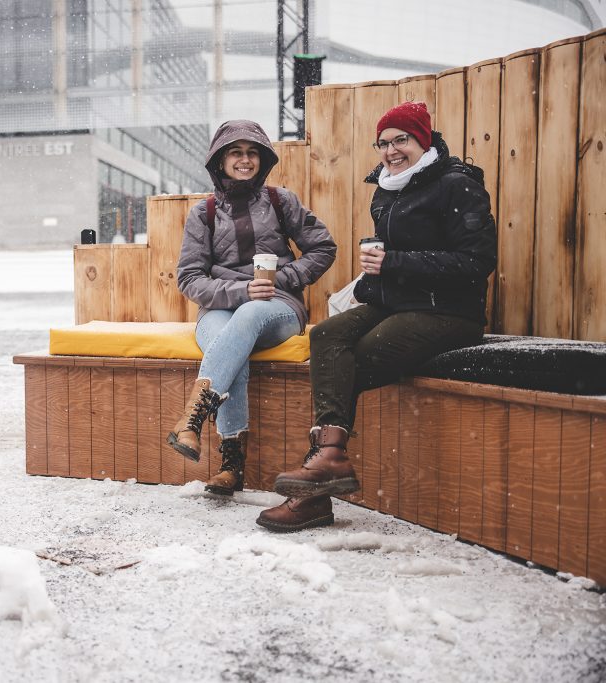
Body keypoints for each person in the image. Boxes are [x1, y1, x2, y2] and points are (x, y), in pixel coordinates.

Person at [256, 101, 497, 532]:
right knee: (327, 336)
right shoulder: (387, 188)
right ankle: (328, 462)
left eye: (401, 139)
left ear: (423, 139)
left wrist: (394, 263)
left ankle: (318, 483)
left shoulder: (457, 185)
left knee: (351, 361)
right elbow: (389, 262)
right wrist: (368, 284)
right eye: (383, 143)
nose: (391, 150)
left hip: (449, 312)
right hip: (396, 304)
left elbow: (476, 263)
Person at [167, 120, 336, 496]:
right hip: (221, 308)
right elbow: (190, 278)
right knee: (231, 345)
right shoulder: (204, 213)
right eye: (235, 152)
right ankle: (231, 466)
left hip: (279, 307)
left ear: (263, 159)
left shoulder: (281, 201)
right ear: (220, 160)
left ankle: (192, 418)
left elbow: (323, 248)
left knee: (245, 320)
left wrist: (285, 278)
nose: (245, 160)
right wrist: (241, 289)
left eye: (252, 152)